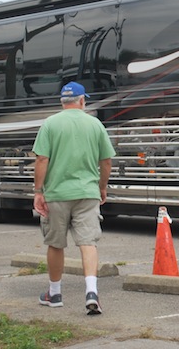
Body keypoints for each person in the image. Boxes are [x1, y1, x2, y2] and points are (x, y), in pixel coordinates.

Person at [32, 81, 115, 315]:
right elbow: (106, 161)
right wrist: (102, 187)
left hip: (56, 193)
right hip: (87, 193)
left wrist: (38, 192)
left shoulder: (50, 124)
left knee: (56, 243)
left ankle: (55, 293)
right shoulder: (95, 124)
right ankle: (91, 292)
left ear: (62, 102)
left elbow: (41, 160)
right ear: (82, 101)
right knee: (88, 242)